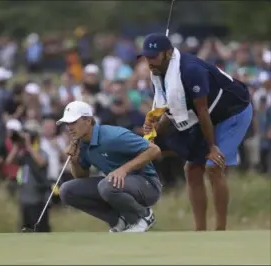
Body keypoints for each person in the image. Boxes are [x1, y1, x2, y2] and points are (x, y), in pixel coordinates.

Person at [139, 33, 252, 231]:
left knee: (213, 166)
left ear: (167, 53)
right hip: (208, 116)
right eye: (146, 57)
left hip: (233, 112)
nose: (149, 61)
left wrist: (212, 147)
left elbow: (203, 112)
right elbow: (171, 110)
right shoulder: (159, 72)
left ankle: (220, 231)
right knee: (191, 170)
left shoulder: (191, 70)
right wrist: (154, 131)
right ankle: (200, 232)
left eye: (153, 56)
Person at [58, 101, 162, 233]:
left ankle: (144, 216)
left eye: (73, 122)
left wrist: (124, 169)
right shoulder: (82, 144)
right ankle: (119, 221)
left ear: (88, 121)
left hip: (148, 185)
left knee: (106, 185)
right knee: (67, 191)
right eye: (67, 123)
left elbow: (154, 150)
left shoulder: (113, 136)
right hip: (116, 185)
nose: (69, 127)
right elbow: (82, 176)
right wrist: (74, 160)